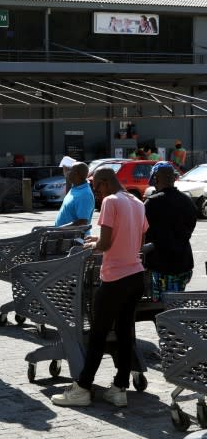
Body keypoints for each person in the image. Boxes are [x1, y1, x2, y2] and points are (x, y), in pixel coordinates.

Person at [52, 166, 148, 408]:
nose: (97, 195)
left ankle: (83, 388)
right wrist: (103, 242)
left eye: (97, 189)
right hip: (135, 276)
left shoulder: (111, 202)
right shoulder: (136, 202)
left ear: (105, 182)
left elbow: (106, 243)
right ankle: (119, 388)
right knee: (126, 334)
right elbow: (139, 240)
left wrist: (92, 246)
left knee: (97, 334)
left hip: (115, 279)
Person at [143, 162, 196, 302]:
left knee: (163, 310)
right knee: (176, 307)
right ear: (174, 178)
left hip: (162, 267)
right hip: (184, 263)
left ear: (155, 178)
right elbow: (189, 229)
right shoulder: (187, 201)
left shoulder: (152, 203)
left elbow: (143, 233)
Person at [54, 162, 95, 228]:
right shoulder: (76, 187)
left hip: (73, 236)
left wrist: (59, 229)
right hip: (64, 235)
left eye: (70, 170)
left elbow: (82, 222)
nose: (67, 172)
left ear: (76, 174)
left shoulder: (85, 194)